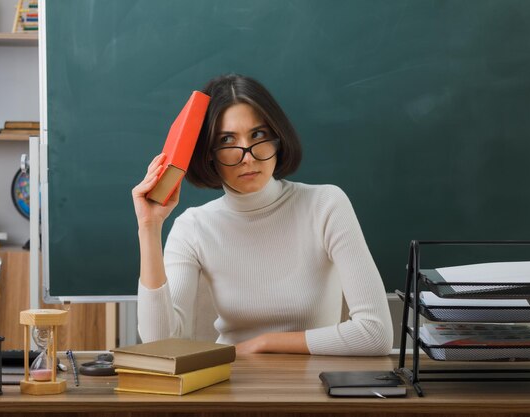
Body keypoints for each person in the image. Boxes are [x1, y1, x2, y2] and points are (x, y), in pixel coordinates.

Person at [132, 74, 393, 355]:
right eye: (228, 141)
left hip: (313, 387)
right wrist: (149, 226)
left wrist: (264, 343)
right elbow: (160, 344)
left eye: (257, 135)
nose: (248, 157)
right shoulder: (193, 227)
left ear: (277, 139)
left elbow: (375, 333)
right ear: (209, 153)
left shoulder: (325, 205)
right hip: (230, 385)